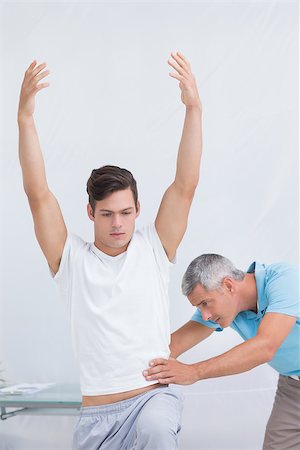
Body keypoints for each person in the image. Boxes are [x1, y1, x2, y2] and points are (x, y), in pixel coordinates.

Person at [18, 52, 202, 450]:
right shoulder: (71, 261)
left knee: (155, 430)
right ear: (90, 213)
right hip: (97, 417)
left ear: (138, 210)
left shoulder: (154, 248)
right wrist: (26, 119)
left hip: (152, 399)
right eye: (106, 214)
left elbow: (185, 185)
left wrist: (193, 108)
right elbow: (38, 195)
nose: (117, 224)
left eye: (125, 213)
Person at [144, 254, 300, 449]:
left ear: (228, 285)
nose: (205, 315)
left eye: (205, 303)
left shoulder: (284, 280)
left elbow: (265, 346)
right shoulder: (227, 307)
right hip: (293, 387)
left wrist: (194, 372)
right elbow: (172, 347)